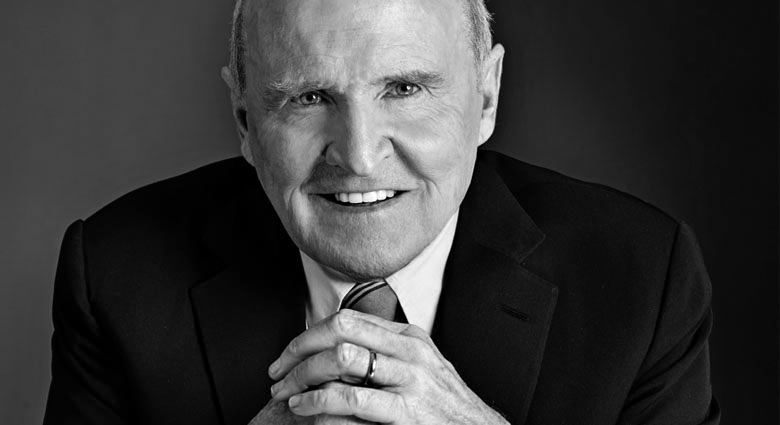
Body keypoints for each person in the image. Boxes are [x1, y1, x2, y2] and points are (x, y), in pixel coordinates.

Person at [43, 0, 720, 424]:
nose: (361, 156)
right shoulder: (117, 276)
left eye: (404, 89)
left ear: (486, 98)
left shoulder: (640, 279)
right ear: (245, 119)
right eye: (309, 98)